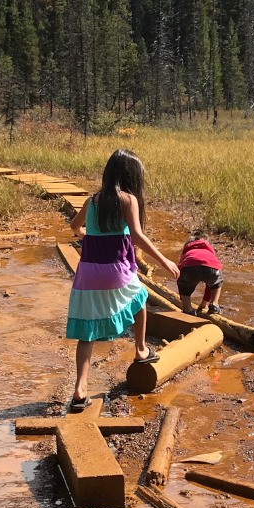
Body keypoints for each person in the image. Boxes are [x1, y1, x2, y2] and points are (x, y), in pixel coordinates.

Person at [66, 149, 180, 412]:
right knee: (139, 297)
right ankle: (140, 350)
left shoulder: (92, 200)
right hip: (115, 270)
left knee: (87, 330)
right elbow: (138, 237)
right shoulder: (128, 200)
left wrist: (86, 234)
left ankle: (80, 390)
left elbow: (74, 227)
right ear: (130, 176)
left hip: (87, 274)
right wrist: (166, 262)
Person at [177, 229, 224, 316]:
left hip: (190, 267)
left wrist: (183, 298)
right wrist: (203, 304)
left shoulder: (187, 248)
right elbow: (210, 285)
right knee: (216, 281)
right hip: (211, 268)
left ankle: (187, 309)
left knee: (184, 283)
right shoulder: (209, 249)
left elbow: (180, 268)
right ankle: (214, 304)